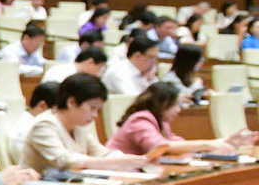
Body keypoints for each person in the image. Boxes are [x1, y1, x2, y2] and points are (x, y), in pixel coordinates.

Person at [23, 73, 147, 172]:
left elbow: (102, 153)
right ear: (71, 102)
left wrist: (135, 160)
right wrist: (127, 161)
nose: (95, 115)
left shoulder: (78, 125)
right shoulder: (44, 125)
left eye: (97, 110)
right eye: (92, 108)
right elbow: (65, 161)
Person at [107, 81, 251, 156]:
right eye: (175, 105)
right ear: (163, 104)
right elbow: (161, 147)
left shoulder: (160, 120)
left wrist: (220, 143)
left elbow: (176, 143)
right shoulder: (140, 120)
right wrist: (210, 144)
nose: (179, 110)